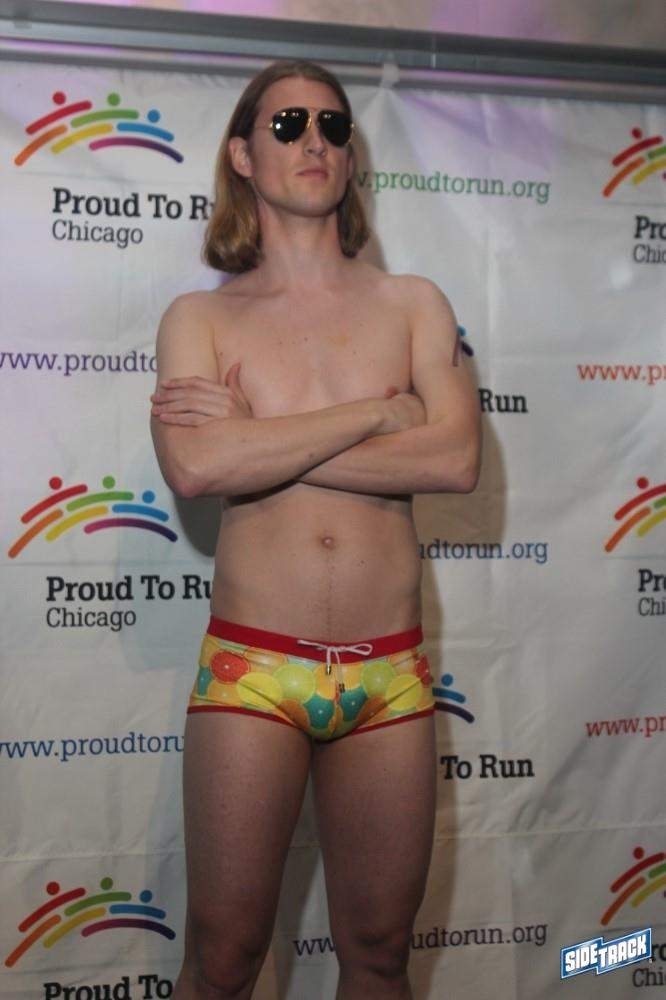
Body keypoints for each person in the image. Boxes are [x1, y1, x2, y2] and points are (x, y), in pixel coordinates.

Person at [150, 59, 481, 1000]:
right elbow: (197, 468)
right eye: (288, 125)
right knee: (224, 959)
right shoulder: (201, 316)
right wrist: (376, 414)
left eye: (334, 126)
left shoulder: (413, 302)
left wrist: (257, 439)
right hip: (253, 670)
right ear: (242, 155)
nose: (315, 142)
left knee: (380, 955)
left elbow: (454, 459)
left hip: (390, 674)